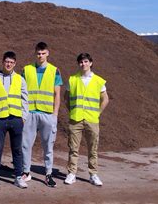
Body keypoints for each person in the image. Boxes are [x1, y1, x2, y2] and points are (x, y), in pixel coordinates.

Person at [0, 51, 29, 189]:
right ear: (3, 62)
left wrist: (23, 117)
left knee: (17, 149)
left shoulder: (20, 79)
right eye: (6, 61)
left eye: (11, 62)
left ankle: (18, 177)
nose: (9, 64)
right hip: (0, 120)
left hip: (16, 119)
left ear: (15, 63)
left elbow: (25, 99)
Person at [64, 53, 109, 186]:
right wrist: (71, 111)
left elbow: (105, 99)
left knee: (93, 148)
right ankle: (72, 173)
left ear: (91, 63)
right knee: (73, 148)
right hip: (75, 119)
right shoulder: (72, 80)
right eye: (81, 62)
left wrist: (97, 113)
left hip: (92, 119)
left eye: (85, 61)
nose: (83, 64)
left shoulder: (99, 81)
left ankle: (93, 174)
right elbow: (66, 98)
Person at [21, 42, 62, 187]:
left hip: (47, 114)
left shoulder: (54, 70)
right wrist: (23, 113)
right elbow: (21, 92)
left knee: (48, 146)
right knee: (25, 145)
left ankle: (48, 174)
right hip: (30, 113)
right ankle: (26, 172)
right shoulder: (26, 70)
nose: (41, 56)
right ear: (35, 53)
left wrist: (55, 114)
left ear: (48, 53)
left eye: (43, 53)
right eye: (38, 53)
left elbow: (57, 94)